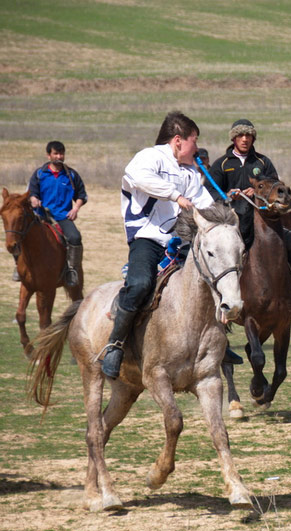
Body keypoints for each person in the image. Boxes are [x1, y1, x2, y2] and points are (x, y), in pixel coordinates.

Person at [100, 112, 216, 379]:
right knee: (140, 284)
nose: (196, 148)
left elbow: (205, 203)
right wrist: (176, 196)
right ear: (178, 141)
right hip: (146, 237)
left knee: (209, 277)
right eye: (194, 141)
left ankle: (218, 338)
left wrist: (225, 215)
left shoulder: (190, 172)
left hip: (180, 239)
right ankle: (116, 344)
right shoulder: (149, 157)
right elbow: (137, 177)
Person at [206, 119, 291, 308]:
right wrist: (228, 196)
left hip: (264, 223)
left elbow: (276, 188)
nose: (245, 139)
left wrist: (256, 191)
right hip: (233, 224)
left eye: (248, 135)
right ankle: (216, 296)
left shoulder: (263, 162)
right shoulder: (221, 165)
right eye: (240, 135)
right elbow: (209, 192)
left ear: (253, 138)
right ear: (234, 138)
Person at [24, 141, 88, 286]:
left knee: (75, 237)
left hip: (62, 216)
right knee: (19, 234)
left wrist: (75, 208)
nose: (59, 156)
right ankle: (19, 268)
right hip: (40, 215)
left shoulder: (71, 175)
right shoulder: (40, 174)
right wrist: (34, 199)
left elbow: (82, 195)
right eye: (55, 153)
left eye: (61, 153)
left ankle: (72, 270)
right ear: (49, 155)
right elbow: (31, 192)